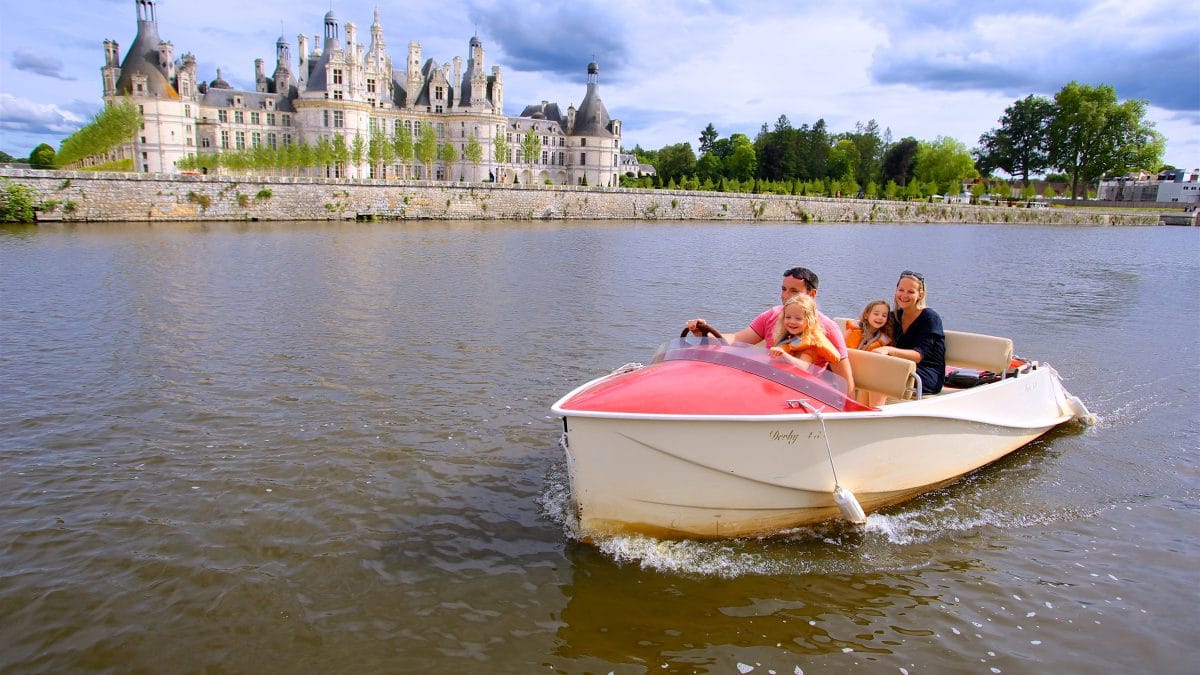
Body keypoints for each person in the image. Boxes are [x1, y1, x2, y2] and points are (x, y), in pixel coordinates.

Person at [685, 267, 855, 395]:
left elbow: (846, 384)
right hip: (773, 385)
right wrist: (704, 334)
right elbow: (737, 339)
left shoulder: (827, 329)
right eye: (783, 289)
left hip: (806, 395)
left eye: (794, 291)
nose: (786, 296)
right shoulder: (772, 315)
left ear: (811, 294)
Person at [874, 271, 946, 395]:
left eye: (911, 292)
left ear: (920, 295)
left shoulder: (930, 318)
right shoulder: (894, 316)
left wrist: (888, 350)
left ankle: (874, 410)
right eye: (901, 290)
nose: (904, 295)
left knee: (880, 371)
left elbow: (918, 355)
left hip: (926, 374)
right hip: (901, 366)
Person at [769, 294, 842, 368]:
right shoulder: (787, 338)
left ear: (809, 321)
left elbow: (803, 366)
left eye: (798, 318)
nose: (792, 321)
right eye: (788, 317)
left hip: (802, 379)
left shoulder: (811, 343)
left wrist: (784, 355)